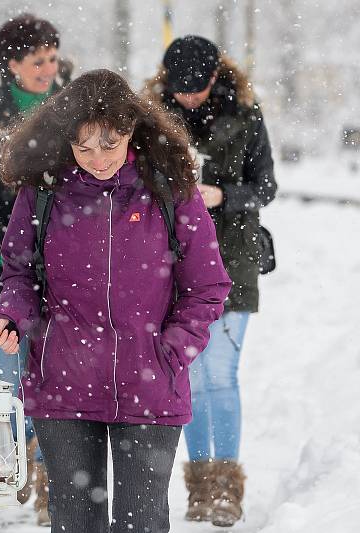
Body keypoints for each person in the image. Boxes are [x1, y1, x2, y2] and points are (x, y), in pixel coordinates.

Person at [0, 69, 232, 533]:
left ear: (131, 133)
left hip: (150, 385)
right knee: (76, 522)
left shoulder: (170, 189)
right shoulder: (42, 192)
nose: (97, 158)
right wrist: (13, 317)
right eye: (83, 147)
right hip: (63, 380)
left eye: (109, 143)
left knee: (141, 523)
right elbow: (18, 273)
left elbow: (208, 286)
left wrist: (171, 351)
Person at [145, 35, 277, 527]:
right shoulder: (152, 116)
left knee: (220, 375)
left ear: (216, 78)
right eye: (181, 90)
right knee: (192, 377)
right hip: (174, 260)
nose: (189, 98)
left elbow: (266, 184)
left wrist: (223, 194)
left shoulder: (246, 113)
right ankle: (199, 486)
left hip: (235, 257)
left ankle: (228, 487)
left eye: (197, 89)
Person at [0, 13, 71, 527]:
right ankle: (26, 453)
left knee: (60, 372)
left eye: (52, 58)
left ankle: (53, 476)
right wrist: (13, 239)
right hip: (7, 262)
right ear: (11, 65)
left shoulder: (73, 104)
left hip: (71, 258)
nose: (48, 69)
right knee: (15, 371)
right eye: (37, 62)